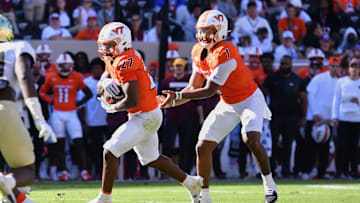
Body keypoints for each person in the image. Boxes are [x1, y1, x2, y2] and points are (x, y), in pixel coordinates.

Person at [161, 10, 278, 203]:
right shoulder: (198, 50)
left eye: (209, 31)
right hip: (228, 102)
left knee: (251, 139)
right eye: (202, 31)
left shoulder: (226, 51)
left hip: (249, 99)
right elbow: (192, 87)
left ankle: (269, 185)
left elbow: (208, 91)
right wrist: (171, 101)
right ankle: (204, 197)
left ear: (221, 31)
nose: (204, 36)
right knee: (202, 146)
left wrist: (178, 96)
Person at [88, 22, 203, 203]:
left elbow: (131, 100)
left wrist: (112, 107)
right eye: (104, 45)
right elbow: (106, 75)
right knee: (151, 158)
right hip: (146, 113)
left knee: (110, 151)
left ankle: (104, 198)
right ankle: (191, 182)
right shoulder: (117, 58)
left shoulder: (125, 61)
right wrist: (103, 85)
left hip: (144, 115)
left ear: (122, 43)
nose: (106, 49)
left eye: (109, 45)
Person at [0, 15, 56, 202]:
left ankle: (15, 196)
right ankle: (7, 183)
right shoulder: (17, 47)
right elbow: (24, 76)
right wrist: (39, 119)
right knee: (25, 169)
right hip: (3, 106)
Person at [39, 53, 93, 181]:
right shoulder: (51, 77)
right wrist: (50, 101)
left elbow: (88, 93)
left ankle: (83, 171)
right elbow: (41, 92)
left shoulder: (77, 77)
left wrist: (78, 104)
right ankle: (63, 171)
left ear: (71, 66)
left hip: (72, 113)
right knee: (60, 144)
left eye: (66, 65)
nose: (64, 68)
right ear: (58, 66)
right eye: (62, 65)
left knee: (78, 142)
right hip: (57, 113)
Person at [262, 55, 307, 178]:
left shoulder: (297, 79)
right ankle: (272, 170)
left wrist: (303, 116)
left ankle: (286, 170)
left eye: (286, 64)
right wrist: (263, 111)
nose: (284, 66)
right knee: (273, 144)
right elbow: (262, 94)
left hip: (292, 117)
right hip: (275, 116)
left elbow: (303, 98)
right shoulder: (272, 78)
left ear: (291, 65)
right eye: (282, 64)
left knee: (288, 144)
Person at [303, 56, 341, 179]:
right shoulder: (319, 78)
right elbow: (310, 94)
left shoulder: (339, 82)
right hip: (315, 119)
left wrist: (334, 117)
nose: (334, 68)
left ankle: (321, 172)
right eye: (332, 66)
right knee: (311, 147)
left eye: (336, 66)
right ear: (328, 66)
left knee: (325, 148)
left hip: (328, 120)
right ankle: (307, 171)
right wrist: (314, 113)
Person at [332, 57, 360, 179]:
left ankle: (353, 170)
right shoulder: (341, 82)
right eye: (352, 66)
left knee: (355, 147)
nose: (354, 69)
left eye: (356, 67)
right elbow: (336, 99)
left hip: (357, 119)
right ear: (348, 68)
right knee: (342, 146)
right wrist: (334, 116)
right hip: (343, 118)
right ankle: (340, 171)